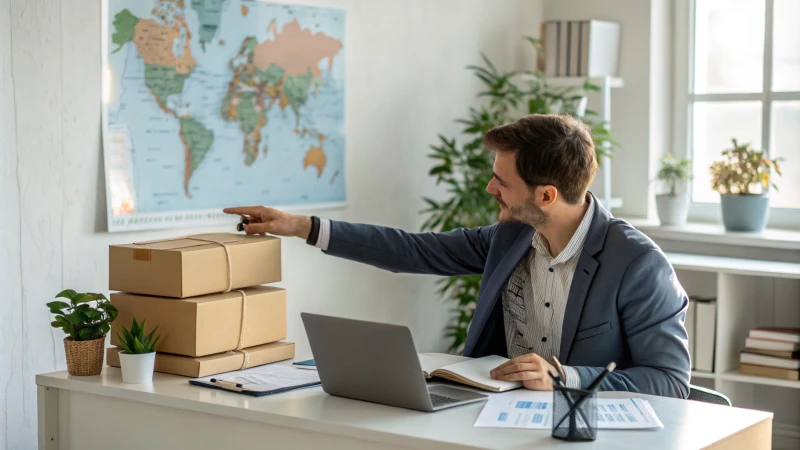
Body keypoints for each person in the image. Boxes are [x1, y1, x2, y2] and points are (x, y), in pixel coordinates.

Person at [224, 114, 691, 399]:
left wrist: (565, 376)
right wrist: (302, 227)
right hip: (496, 424)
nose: (490, 189)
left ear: (546, 195)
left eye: (502, 182)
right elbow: (414, 249)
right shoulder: (511, 237)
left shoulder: (637, 265)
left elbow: (669, 381)